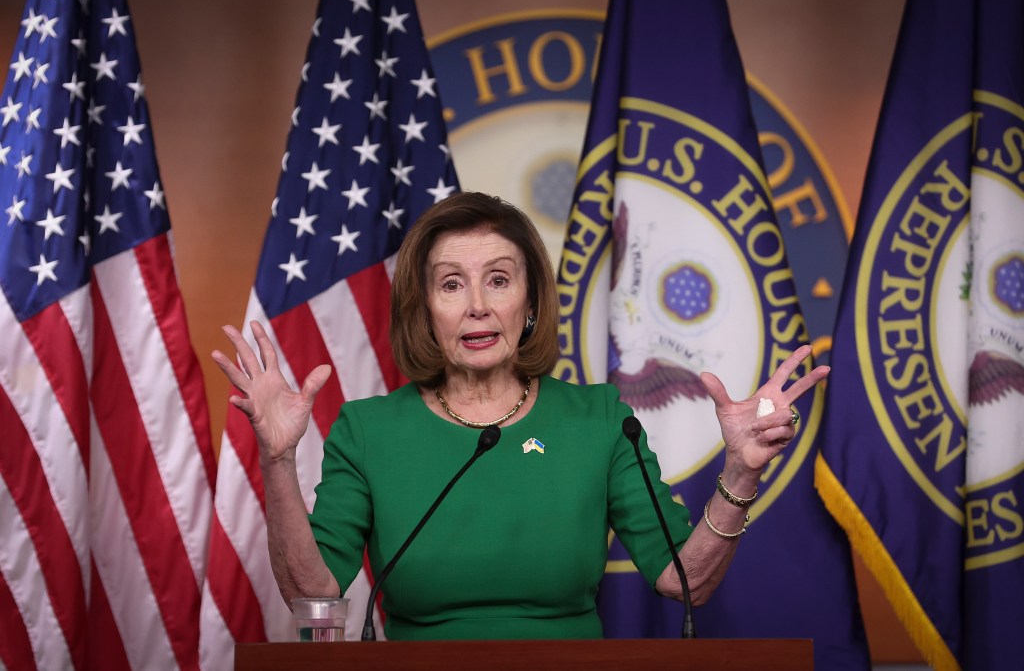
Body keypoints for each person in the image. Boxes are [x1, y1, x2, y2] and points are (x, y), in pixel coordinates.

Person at [213, 191, 829, 640]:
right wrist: (277, 457)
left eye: (499, 281)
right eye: (451, 285)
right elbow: (311, 593)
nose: (478, 306)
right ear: (424, 309)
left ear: (529, 300)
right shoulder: (369, 430)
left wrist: (741, 474)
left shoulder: (599, 419)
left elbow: (680, 578)